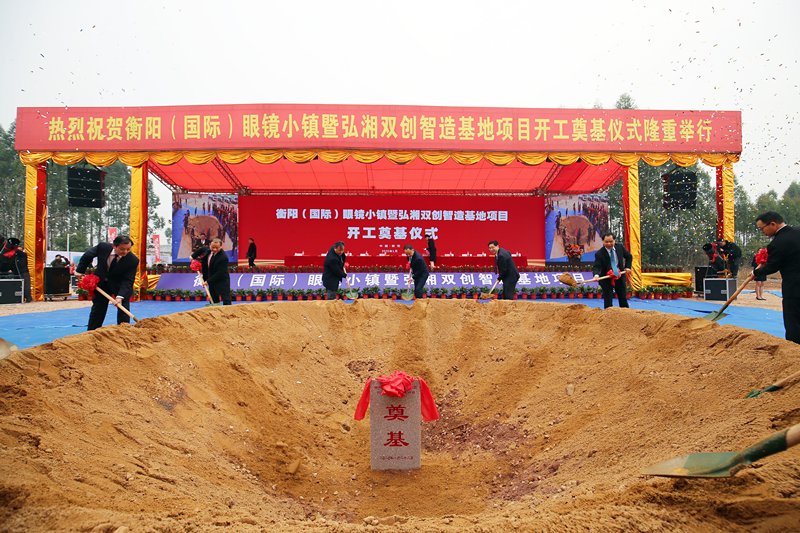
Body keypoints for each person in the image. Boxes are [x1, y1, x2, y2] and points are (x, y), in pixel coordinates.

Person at [752, 211, 800, 343]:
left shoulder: (777, 243)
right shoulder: (797, 230)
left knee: (794, 322)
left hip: (795, 288)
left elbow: (772, 267)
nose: (762, 232)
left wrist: (755, 273)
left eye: (762, 228)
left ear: (773, 224)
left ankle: (794, 349)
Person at [75, 236, 139, 330]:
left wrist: (120, 296)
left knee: (123, 310)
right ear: (114, 246)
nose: (125, 252)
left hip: (120, 285)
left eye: (128, 249)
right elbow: (87, 256)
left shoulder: (133, 260)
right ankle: (92, 332)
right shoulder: (103, 247)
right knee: (98, 309)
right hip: (101, 284)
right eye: (122, 249)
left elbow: (128, 280)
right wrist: (80, 271)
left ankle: (124, 332)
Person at [592, 232, 632, 309]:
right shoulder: (599, 254)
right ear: (603, 242)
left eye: (611, 241)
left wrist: (627, 267)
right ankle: (608, 315)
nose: (609, 244)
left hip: (619, 276)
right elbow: (597, 266)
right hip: (607, 278)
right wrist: (596, 275)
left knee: (623, 298)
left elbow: (629, 256)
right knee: (608, 300)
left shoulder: (620, 247)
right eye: (606, 242)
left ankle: (625, 314)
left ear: (614, 241)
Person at [191, 238, 231, 305]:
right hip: (211, 277)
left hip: (221, 279)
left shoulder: (223, 257)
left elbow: (220, 272)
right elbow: (201, 249)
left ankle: (227, 311)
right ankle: (214, 309)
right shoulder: (208, 250)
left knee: (225, 298)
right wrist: (193, 256)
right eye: (213, 247)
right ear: (209, 245)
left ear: (221, 246)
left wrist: (208, 281)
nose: (214, 249)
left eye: (217, 248)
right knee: (213, 297)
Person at [0, 238, 32, 303]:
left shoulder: (24, 255)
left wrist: (14, 249)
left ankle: (28, 298)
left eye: (20, 249)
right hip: (16, 273)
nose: (18, 250)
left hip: (24, 272)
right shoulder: (14, 256)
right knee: (17, 286)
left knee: (26, 286)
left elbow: (19, 252)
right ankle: (19, 298)